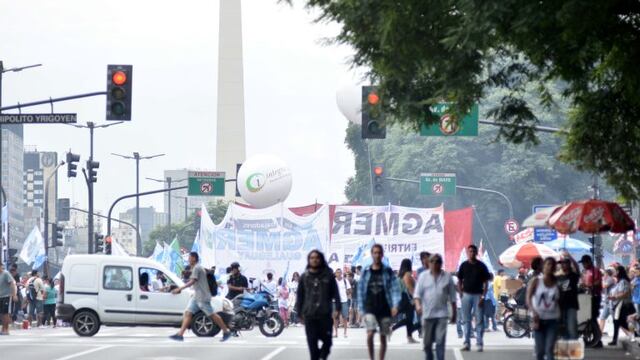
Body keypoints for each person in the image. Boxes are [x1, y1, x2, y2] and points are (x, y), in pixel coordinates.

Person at [169, 252, 232, 342]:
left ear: (194, 258)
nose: (188, 260)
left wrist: (180, 289)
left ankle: (226, 332)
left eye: (190, 258)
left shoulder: (197, 268)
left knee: (212, 314)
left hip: (202, 296)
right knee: (188, 313)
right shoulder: (196, 268)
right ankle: (180, 334)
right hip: (197, 296)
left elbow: (192, 281)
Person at [296, 250, 341, 360]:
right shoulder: (304, 277)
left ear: (320, 259)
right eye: (312, 258)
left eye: (317, 257)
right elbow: (300, 296)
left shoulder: (329, 276)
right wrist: (299, 313)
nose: (314, 260)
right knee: (312, 346)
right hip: (310, 315)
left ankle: (322, 356)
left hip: (324, 315)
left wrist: (338, 309)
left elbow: (336, 293)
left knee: (328, 342)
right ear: (309, 260)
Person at [358, 244, 400, 360]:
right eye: (375, 253)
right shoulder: (366, 271)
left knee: (383, 336)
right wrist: (361, 309)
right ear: (372, 254)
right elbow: (361, 290)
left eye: (379, 253)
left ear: (382, 255)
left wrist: (395, 305)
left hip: (385, 307)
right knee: (370, 334)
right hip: (370, 307)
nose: (377, 255)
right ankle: (371, 358)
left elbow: (395, 289)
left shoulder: (387, 271)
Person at [414, 254, 456, 360]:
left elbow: (453, 297)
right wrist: (418, 306)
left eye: (437, 262)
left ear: (441, 264)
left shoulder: (447, 277)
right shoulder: (423, 276)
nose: (434, 264)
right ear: (429, 263)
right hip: (427, 315)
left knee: (440, 341)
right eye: (432, 261)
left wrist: (454, 313)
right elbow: (417, 295)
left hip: (442, 315)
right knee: (427, 344)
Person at [457, 244, 490, 352]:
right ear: (468, 253)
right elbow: (459, 280)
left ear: (476, 253)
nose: (471, 253)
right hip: (466, 295)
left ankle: (479, 343)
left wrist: (483, 296)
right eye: (469, 251)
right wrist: (460, 293)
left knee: (479, 320)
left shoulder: (481, 266)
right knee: (466, 320)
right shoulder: (463, 265)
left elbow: (486, 283)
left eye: (473, 251)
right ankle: (467, 343)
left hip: (478, 295)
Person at [527, 257, 560, 360]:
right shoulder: (536, 281)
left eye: (552, 265)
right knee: (540, 351)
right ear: (543, 266)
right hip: (538, 320)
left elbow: (560, 301)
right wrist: (533, 312)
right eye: (548, 264)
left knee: (550, 349)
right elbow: (528, 298)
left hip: (553, 320)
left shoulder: (557, 283)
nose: (550, 267)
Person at [392, 258, 418, 343]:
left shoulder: (400, 275)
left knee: (409, 318)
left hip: (401, 297)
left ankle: (409, 336)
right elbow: (409, 287)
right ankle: (392, 329)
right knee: (409, 318)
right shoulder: (407, 274)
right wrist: (415, 298)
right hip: (407, 297)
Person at [579, 255, 603, 347]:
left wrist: (590, 285)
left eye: (584, 263)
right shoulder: (586, 271)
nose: (583, 265)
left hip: (595, 296)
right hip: (587, 296)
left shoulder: (595, 270)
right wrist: (583, 285)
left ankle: (598, 339)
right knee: (588, 317)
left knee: (593, 317)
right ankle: (596, 338)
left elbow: (598, 282)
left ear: (589, 262)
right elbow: (583, 282)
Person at [608, 265, 635, 346]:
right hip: (619, 305)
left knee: (621, 322)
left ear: (619, 272)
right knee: (618, 322)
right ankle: (615, 340)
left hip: (623, 305)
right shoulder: (620, 281)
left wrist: (614, 297)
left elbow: (625, 293)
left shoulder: (623, 281)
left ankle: (635, 333)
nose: (615, 272)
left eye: (616, 271)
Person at [557, 256, 580, 339]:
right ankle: (566, 348)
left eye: (565, 263)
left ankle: (573, 348)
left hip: (571, 305)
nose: (563, 265)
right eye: (561, 264)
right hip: (560, 305)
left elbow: (577, 268)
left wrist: (570, 256)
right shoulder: (558, 277)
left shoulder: (573, 276)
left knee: (571, 327)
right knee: (563, 328)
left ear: (569, 264)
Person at [333, 268, 351, 338]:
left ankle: (345, 333)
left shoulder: (345, 281)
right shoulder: (333, 281)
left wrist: (348, 292)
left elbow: (349, 290)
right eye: (337, 272)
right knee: (335, 317)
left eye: (340, 272)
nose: (338, 274)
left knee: (345, 317)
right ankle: (336, 333)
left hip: (344, 301)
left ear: (341, 273)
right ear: (335, 274)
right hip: (335, 301)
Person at [0, 263, 18, 335]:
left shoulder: (6, 273)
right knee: (1, 314)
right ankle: (3, 328)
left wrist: (14, 295)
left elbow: (12, 284)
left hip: (6, 296)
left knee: (5, 313)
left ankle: (6, 329)